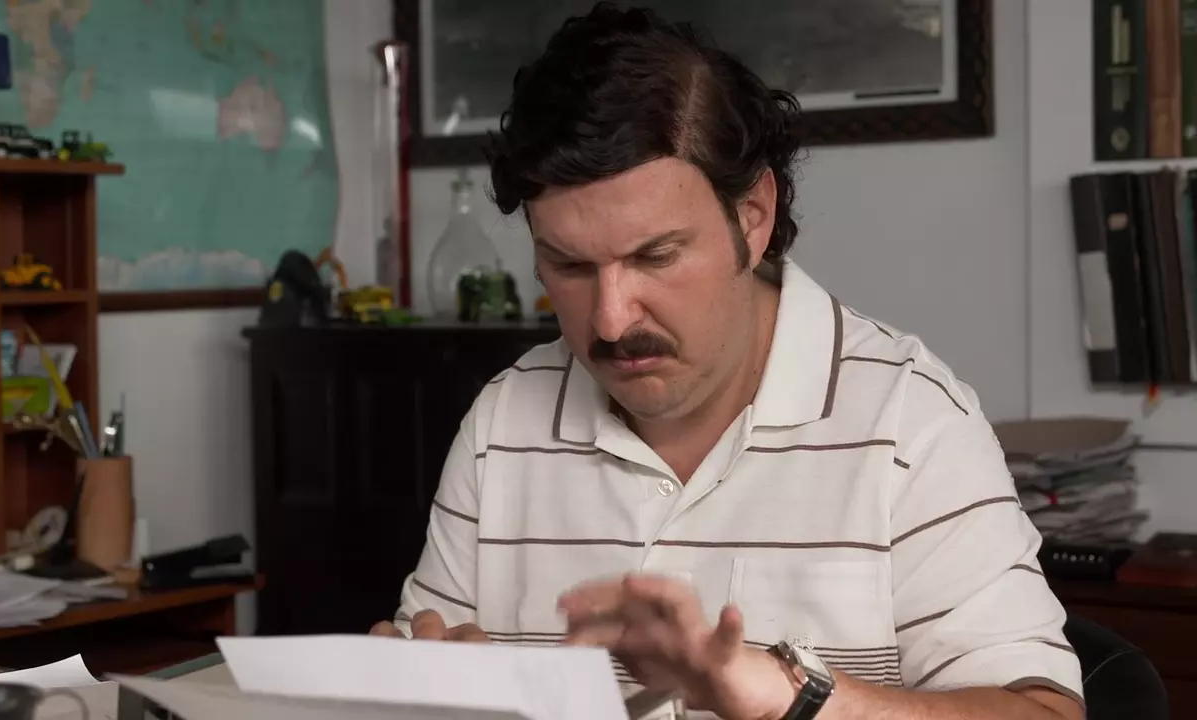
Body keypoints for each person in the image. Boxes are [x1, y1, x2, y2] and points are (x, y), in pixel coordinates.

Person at [371, 4, 1084, 719]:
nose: (611, 320)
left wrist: (793, 697)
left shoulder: (912, 423)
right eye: (570, 266)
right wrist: (414, 695)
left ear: (754, 216)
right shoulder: (502, 423)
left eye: (656, 256)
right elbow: (417, 676)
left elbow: (1045, 714)